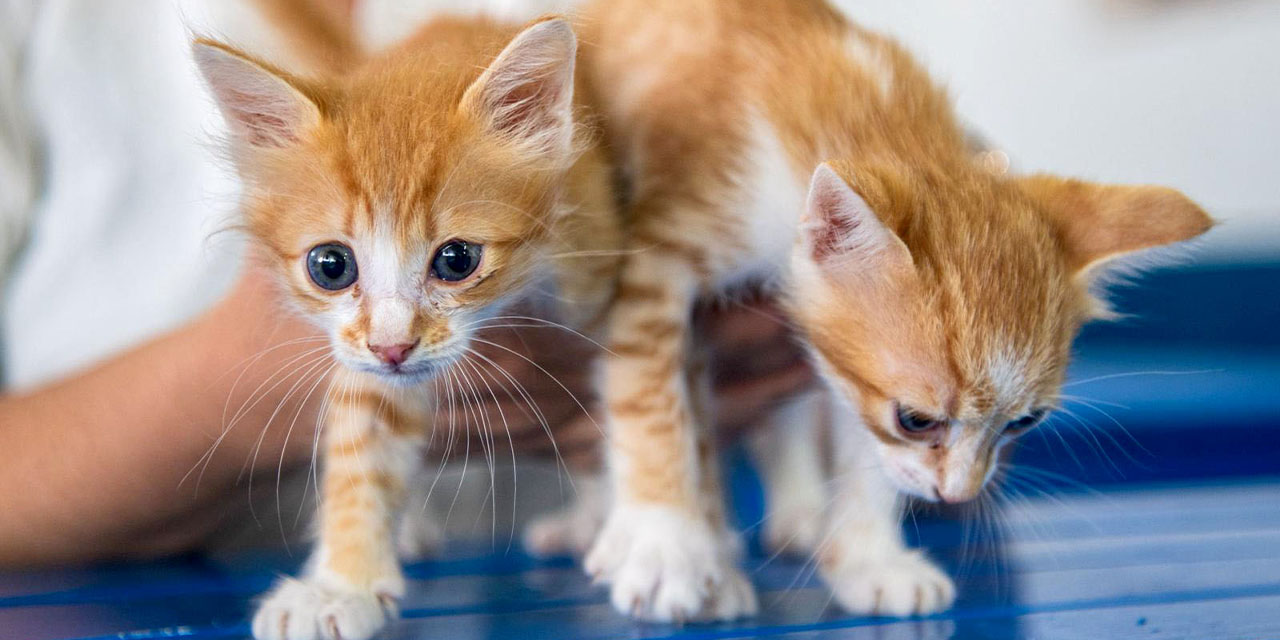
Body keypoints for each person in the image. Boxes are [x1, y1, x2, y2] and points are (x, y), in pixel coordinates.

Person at [0, 0, 811, 568]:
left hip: (537, 569)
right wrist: (241, 389)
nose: (389, 335)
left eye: (454, 261)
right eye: (332, 267)